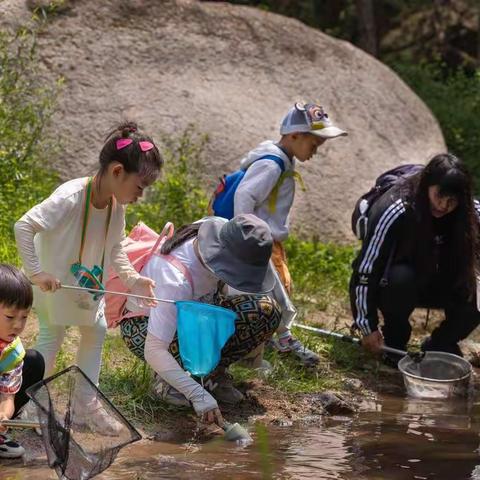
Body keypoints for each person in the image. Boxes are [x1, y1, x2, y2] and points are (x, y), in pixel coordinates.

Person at [14, 122, 163, 393]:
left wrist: (134, 280)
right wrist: (36, 273)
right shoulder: (70, 197)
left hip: (84, 284)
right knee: (52, 335)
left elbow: (115, 248)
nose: (140, 196)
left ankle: (86, 404)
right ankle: (33, 403)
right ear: (117, 171)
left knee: (96, 330)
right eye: (140, 187)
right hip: (52, 281)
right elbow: (24, 226)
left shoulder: (116, 207)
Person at [119, 214, 281, 426]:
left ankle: (212, 375)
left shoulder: (227, 232)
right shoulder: (173, 279)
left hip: (198, 315)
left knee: (266, 310)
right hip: (144, 328)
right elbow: (154, 350)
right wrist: (197, 395)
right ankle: (168, 384)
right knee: (176, 347)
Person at [233, 102, 347, 366]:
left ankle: (272, 340)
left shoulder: (282, 161)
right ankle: (268, 346)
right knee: (269, 294)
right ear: (294, 135)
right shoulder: (272, 165)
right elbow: (245, 195)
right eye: (314, 145)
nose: (315, 152)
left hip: (267, 239)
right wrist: (245, 237)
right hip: (257, 240)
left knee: (277, 290)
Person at [350, 153, 480, 363]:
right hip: (397, 286)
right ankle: (394, 340)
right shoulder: (395, 209)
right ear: (427, 184)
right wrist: (367, 328)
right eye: (439, 195)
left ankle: (443, 343)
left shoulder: (472, 214)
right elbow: (365, 271)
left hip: (443, 282)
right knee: (400, 277)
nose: (444, 205)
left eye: (452, 200)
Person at [0, 264, 45, 459]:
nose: (18, 325)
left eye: (24, 317)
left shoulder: (11, 352)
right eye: (10, 317)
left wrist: (3, 415)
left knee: (34, 360)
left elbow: (7, 397)